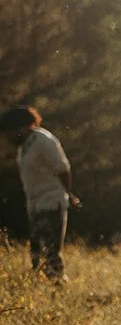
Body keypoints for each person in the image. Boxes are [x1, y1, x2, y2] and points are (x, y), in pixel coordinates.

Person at [2, 106, 78, 282]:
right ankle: (43, 286)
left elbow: (63, 169)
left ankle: (57, 286)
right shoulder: (24, 147)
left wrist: (68, 193)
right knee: (37, 253)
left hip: (51, 202)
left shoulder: (44, 141)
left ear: (21, 128)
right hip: (35, 205)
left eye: (9, 132)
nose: (7, 137)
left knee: (50, 251)